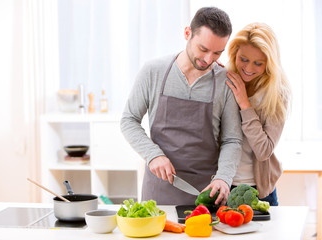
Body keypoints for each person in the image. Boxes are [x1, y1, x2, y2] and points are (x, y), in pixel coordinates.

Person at [120, 7, 242, 206]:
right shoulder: (154, 71)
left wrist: (224, 177)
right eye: (203, 49)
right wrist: (153, 155)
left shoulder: (224, 82)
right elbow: (129, 120)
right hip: (160, 189)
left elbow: (232, 139)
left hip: (207, 193)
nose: (208, 59)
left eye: (218, 53)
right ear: (187, 33)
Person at [226, 22, 292, 206]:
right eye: (243, 59)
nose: (248, 68)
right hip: (223, 185)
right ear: (234, 53)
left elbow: (264, 151)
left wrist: (244, 104)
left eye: (258, 63)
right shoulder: (224, 81)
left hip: (259, 190)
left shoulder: (277, 94)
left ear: (269, 63)